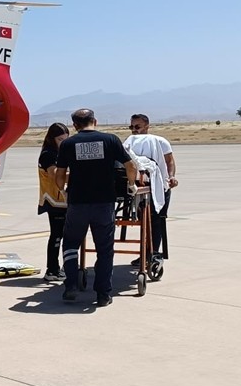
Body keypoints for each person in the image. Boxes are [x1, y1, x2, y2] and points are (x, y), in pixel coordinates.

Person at [54, 108, 137, 307]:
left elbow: (59, 173)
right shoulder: (110, 140)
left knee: (71, 244)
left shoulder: (68, 143)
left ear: (75, 125)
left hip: (78, 203)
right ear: (95, 121)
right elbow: (131, 165)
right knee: (105, 249)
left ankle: (71, 285)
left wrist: (63, 190)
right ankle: (103, 294)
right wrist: (131, 185)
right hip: (104, 203)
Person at [123, 113, 176, 260]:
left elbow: (170, 162)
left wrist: (171, 177)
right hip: (140, 185)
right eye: (131, 127)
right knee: (144, 221)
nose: (134, 130)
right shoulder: (129, 142)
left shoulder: (160, 141)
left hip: (160, 184)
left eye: (137, 126)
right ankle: (145, 253)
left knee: (157, 220)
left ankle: (153, 253)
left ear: (147, 126)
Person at [37, 122, 70, 283]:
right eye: (60, 139)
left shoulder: (61, 152)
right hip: (53, 200)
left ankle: (60, 267)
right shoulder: (48, 154)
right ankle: (52, 269)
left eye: (66, 139)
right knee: (56, 236)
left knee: (64, 235)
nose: (63, 142)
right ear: (52, 139)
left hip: (62, 200)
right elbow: (55, 175)